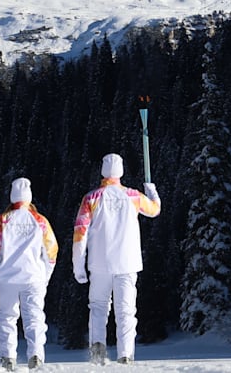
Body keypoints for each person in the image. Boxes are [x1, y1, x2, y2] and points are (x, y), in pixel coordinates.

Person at [72, 153, 161, 365]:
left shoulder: (91, 198)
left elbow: (80, 234)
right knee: (126, 312)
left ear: (103, 171)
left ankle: (97, 353)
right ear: (121, 171)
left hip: (99, 263)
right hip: (127, 262)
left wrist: (78, 265)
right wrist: (152, 191)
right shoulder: (133, 196)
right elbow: (155, 210)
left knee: (98, 309)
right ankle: (126, 355)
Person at [0, 178, 59, 371]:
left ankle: (8, 357)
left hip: (6, 279)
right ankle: (36, 355)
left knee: (7, 318)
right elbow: (51, 251)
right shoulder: (40, 220)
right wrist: (45, 275)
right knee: (34, 318)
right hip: (33, 277)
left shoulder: (2, 220)